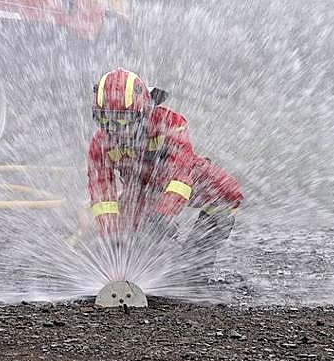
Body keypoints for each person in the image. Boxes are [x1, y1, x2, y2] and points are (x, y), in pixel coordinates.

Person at [87, 67, 242, 275]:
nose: (115, 129)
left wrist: (161, 218)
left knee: (225, 191)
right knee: (130, 241)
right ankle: (138, 271)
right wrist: (110, 235)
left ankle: (194, 265)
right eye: (105, 120)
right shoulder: (100, 144)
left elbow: (181, 176)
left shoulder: (170, 124)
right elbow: (102, 194)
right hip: (139, 192)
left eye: (122, 120)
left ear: (143, 113)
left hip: (183, 181)